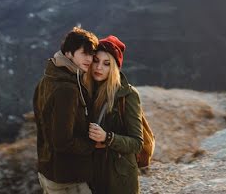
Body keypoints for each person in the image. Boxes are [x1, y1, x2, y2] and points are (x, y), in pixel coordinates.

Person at [33, 26, 100, 194]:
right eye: (84, 53)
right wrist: (92, 145)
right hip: (67, 177)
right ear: (69, 53)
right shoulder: (67, 89)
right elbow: (62, 141)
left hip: (48, 170)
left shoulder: (47, 79)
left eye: (92, 54)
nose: (90, 59)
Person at [84, 35, 144, 194]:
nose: (99, 67)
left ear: (115, 68)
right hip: (93, 174)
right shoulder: (87, 91)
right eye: (96, 60)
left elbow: (137, 143)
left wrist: (108, 137)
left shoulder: (128, 95)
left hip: (119, 179)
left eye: (106, 64)